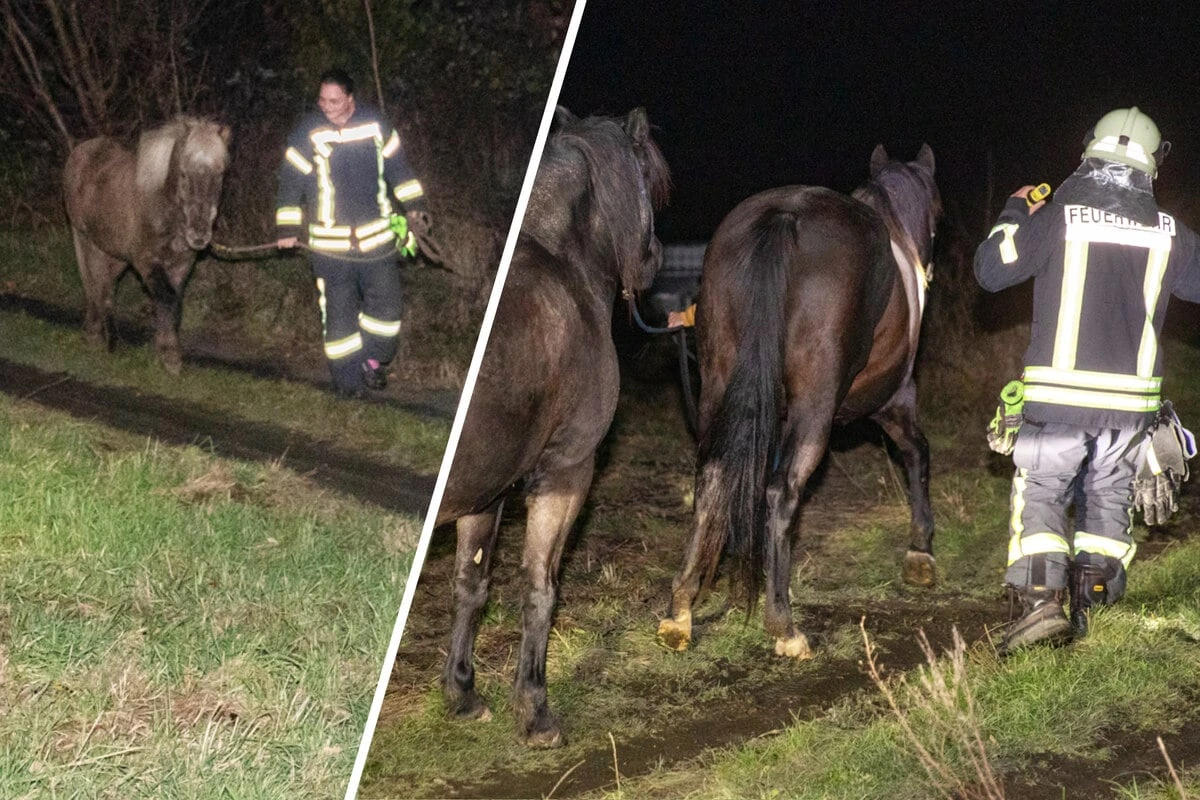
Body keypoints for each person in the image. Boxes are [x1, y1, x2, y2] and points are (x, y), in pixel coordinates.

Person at [975, 107, 1200, 654]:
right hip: (1130, 410)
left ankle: (1041, 606)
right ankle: (1093, 601)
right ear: (1152, 165)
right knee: (1108, 498)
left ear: (1088, 151)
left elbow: (990, 268)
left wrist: (1014, 209)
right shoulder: (1174, 235)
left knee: (1044, 494)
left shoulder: (1057, 218)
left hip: (1058, 401)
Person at [276, 68, 431, 398]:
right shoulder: (308, 131)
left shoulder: (375, 125)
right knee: (339, 321)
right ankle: (347, 386)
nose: (327, 107)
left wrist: (415, 208)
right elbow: (290, 181)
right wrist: (287, 226)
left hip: (377, 242)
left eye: (334, 101)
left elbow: (400, 171)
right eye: (322, 100)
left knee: (387, 312)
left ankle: (372, 360)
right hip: (330, 249)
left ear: (350, 99)